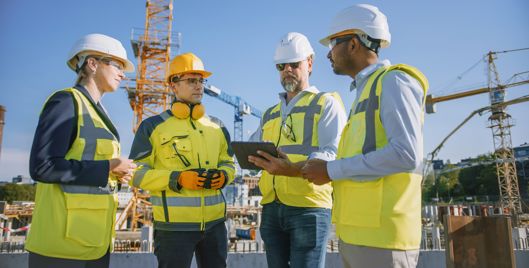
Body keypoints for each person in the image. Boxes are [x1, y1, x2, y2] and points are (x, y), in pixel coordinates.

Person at [301, 4, 429, 268]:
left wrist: (331, 170)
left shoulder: (394, 81)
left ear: (353, 44)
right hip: (359, 235)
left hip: (384, 238)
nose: (328, 53)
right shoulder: (367, 89)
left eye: (333, 43)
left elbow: (406, 154)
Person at [25, 33, 137, 268]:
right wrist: (109, 166)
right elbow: (43, 166)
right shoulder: (66, 102)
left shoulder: (99, 112)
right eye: (117, 64)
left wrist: (114, 172)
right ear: (92, 64)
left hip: (93, 241)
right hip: (62, 246)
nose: (122, 73)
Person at [248, 32, 347, 268]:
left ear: (310, 63)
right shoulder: (270, 113)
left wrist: (290, 170)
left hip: (308, 208)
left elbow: (333, 155)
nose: (287, 70)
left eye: (294, 64)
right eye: (281, 66)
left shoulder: (326, 103)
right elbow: (253, 146)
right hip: (272, 208)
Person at [128, 52, 235, 268]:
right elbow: (135, 173)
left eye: (201, 80)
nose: (199, 86)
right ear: (173, 86)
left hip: (215, 226)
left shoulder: (217, 126)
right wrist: (177, 179)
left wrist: (224, 176)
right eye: (191, 80)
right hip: (173, 230)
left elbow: (229, 164)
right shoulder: (152, 127)